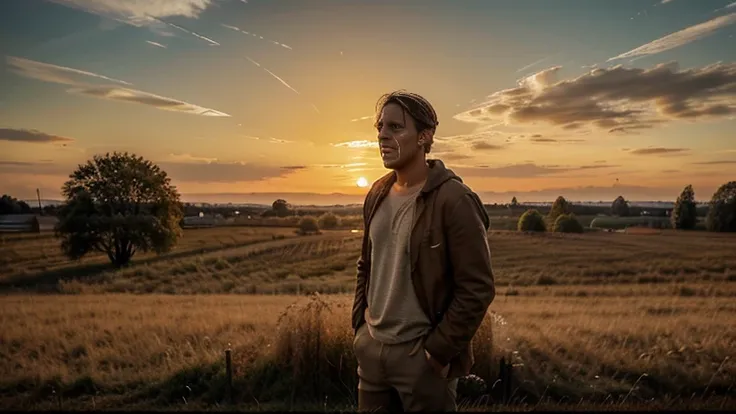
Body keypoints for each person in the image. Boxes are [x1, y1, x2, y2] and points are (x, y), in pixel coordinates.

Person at [351, 90, 496, 412]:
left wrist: (437, 351)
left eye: (395, 127)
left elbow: (477, 287)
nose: (383, 136)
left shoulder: (454, 200)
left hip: (421, 358)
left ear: (424, 136)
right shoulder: (376, 192)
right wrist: (360, 328)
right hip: (372, 350)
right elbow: (367, 264)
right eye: (380, 128)